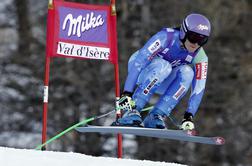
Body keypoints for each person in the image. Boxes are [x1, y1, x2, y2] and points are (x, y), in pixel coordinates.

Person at [116, 13, 210, 130]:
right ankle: (132, 110)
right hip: (140, 70)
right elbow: (139, 62)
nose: (196, 44)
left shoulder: (200, 55)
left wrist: (189, 115)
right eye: (194, 38)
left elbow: (199, 87)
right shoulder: (166, 37)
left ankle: (157, 114)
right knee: (164, 66)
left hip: (162, 79)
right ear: (184, 32)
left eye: (202, 41)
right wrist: (127, 92)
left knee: (188, 72)